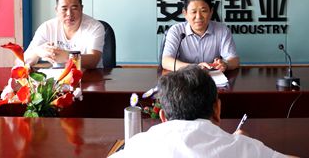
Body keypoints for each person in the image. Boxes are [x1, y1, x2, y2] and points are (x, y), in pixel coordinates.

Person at [113, 65, 296, 157]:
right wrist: (242, 144)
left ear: (163, 117)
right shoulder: (243, 148)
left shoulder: (139, 145)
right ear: (217, 109)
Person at [24, 0, 105, 69]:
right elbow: (23, 60)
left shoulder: (95, 27)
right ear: (56, 10)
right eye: (64, 9)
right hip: (57, 75)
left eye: (74, 8)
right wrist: (37, 51)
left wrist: (68, 57)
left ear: (81, 9)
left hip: (89, 75)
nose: (69, 14)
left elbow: (93, 61)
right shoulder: (47, 27)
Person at [161, 0, 239, 72]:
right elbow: (166, 61)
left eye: (203, 11)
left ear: (211, 12)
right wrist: (196, 67)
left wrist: (225, 64)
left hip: (212, 76)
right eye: (193, 12)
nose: (198, 17)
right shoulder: (176, 31)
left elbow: (234, 60)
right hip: (185, 77)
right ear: (185, 13)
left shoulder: (222, 30)